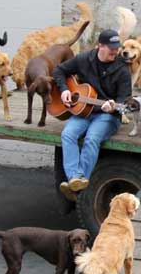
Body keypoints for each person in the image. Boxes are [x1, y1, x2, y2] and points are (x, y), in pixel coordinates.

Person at [53, 29, 132, 201]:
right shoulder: (84, 59)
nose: (115, 51)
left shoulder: (123, 70)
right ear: (99, 46)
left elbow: (124, 102)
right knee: (68, 134)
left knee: (91, 139)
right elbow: (59, 71)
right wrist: (65, 90)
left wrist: (113, 107)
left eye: (116, 47)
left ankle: (79, 178)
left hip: (107, 116)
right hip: (84, 111)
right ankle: (75, 178)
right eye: (111, 47)